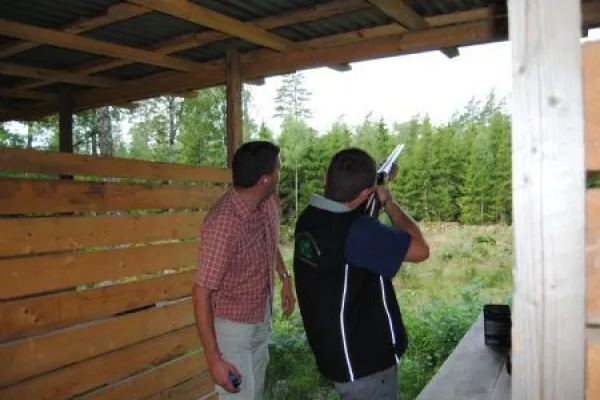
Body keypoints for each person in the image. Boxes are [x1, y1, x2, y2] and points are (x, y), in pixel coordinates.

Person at [293, 148, 430, 399]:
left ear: (326, 178)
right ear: (366, 193)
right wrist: (388, 201)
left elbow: (352, 215)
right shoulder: (356, 232)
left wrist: (374, 186)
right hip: (365, 364)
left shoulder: (310, 217)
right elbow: (420, 250)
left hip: (336, 353)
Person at [193, 141, 296, 400]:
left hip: (261, 314)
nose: (279, 173)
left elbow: (268, 241)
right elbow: (200, 293)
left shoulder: (268, 200)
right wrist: (214, 359)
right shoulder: (223, 223)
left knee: (254, 394)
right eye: (278, 169)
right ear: (264, 179)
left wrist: (285, 277)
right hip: (233, 330)